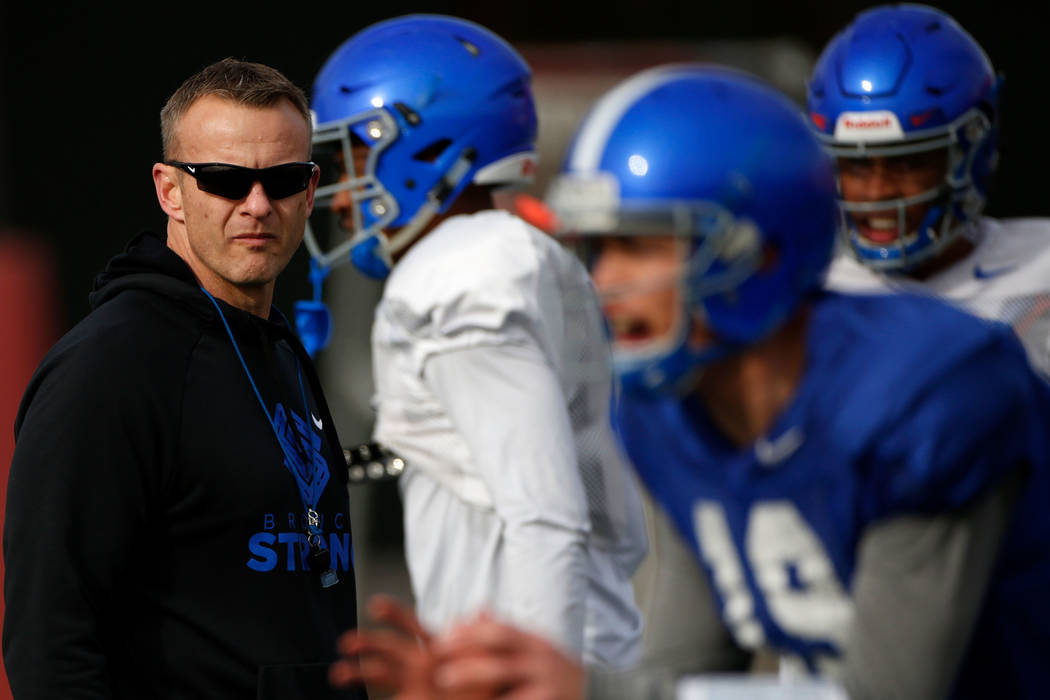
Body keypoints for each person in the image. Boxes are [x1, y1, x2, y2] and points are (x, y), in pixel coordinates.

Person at [331, 64, 1050, 700]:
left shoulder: (929, 389)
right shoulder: (670, 412)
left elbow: (886, 692)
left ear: (758, 254)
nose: (605, 282)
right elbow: (679, 668)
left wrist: (591, 691)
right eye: (596, 248)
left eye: (639, 245)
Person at [3, 58, 364, 700]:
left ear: (310, 191)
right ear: (170, 190)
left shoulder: (278, 346)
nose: (257, 205)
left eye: (280, 180)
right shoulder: (110, 365)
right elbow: (50, 632)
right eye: (224, 180)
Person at [305, 13, 647, 675]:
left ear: (426, 149)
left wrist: (531, 676)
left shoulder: (456, 273)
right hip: (583, 646)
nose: (340, 195)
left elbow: (545, 513)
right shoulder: (527, 255)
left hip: (527, 659)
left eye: (351, 157)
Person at [809, 4, 1050, 376]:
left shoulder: (1041, 269)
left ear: (973, 151)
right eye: (856, 164)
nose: (876, 192)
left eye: (906, 163)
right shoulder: (811, 299)